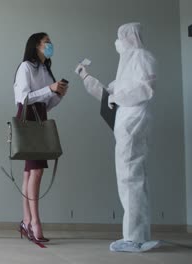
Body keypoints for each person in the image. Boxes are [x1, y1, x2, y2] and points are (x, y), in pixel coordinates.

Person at [75, 23, 159, 252]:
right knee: (132, 179)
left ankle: (134, 238)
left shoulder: (142, 57)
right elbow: (108, 94)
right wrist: (86, 77)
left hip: (134, 122)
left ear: (129, 38)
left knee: (130, 179)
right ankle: (138, 235)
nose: (117, 43)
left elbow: (146, 89)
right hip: (127, 124)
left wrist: (118, 97)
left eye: (120, 38)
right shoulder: (127, 64)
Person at [14, 32, 68, 243]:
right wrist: (49, 89)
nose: (50, 45)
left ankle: (27, 221)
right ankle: (35, 222)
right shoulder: (26, 66)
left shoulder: (45, 69)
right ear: (36, 45)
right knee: (35, 171)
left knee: (30, 172)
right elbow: (24, 97)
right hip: (27, 117)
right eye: (47, 42)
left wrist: (58, 95)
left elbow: (47, 103)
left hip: (40, 116)